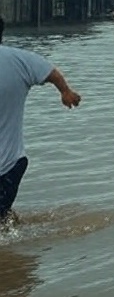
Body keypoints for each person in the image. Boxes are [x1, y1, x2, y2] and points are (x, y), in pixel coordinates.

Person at [0, 16, 81, 225]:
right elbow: (51, 72)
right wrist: (65, 91)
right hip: (11, 164)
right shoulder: (21, 59)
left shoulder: (18, 60)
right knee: (4, 219)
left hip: (6, 164)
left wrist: (65, 91)